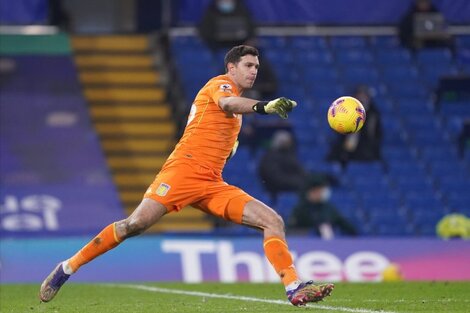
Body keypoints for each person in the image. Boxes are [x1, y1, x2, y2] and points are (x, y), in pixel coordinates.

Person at [39, 45, 334, 306]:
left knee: (273, 221)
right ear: (231, 67)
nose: (254, 71)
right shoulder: (219, 86)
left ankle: (294, 287)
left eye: (256, 66)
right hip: (183, 171)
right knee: (135, 224)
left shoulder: (238, 116)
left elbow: (224, 136)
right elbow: (228, 104)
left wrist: (229, 148)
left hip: (212, 184)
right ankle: (67, 267)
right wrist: (264, 106)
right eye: (248, 65)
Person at [327, 85, 382, 168]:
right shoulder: (345, 111)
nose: (362, 99)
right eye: (359, 96)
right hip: (344, 150)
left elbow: (374, 135)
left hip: (364, 151)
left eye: (364, 96)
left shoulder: (373, 115)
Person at [288, 175, 357, 239]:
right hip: (308, 244)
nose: (323, 193)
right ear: (312, 191)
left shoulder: (329, 208)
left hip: (329, 245)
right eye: (320, 190)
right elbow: (290, 230)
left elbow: (346, 226)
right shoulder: (300, 209)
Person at [258, 130, 308, 203]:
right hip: (276, 190)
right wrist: (297, 182)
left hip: (294, 187)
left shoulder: (290, 156)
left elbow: (300, 171)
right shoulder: (269, 157)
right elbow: (275, 177)